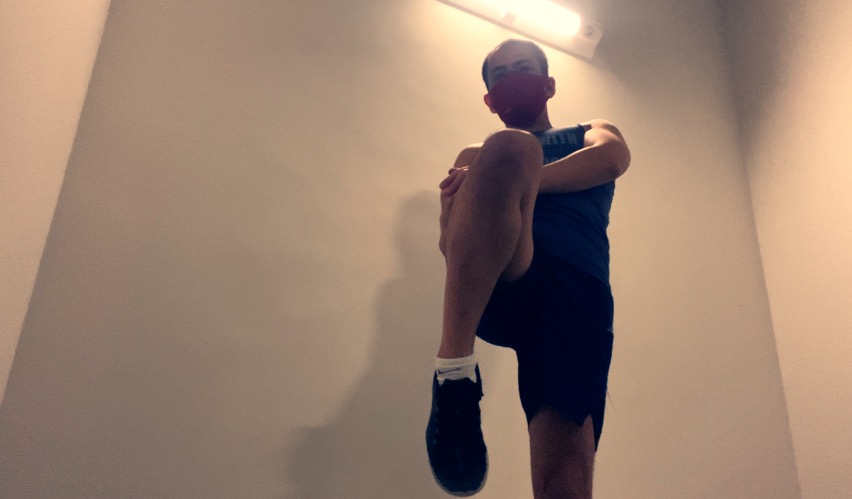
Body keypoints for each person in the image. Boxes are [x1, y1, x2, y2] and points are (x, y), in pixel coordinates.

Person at [425, 39, 631, 498]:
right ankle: (454, 375)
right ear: (489, 100)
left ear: (548, 84)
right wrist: (452, 214)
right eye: (500, 75)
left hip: (574, 288)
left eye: (522, 68)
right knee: (508, 147)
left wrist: (521, 180)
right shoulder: (477, 155)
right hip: (505, 272)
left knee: (565, 481)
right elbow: (452, 247)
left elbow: (613, 159)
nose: (512, 78)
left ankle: (455, 377)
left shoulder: (590, 131)